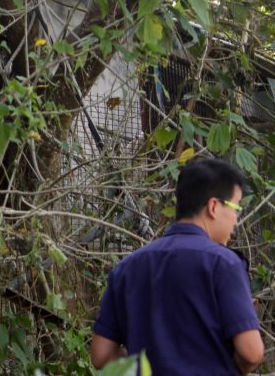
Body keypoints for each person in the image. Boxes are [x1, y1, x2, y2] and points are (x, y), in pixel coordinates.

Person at [90, 157, 264, 375]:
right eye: (235, 208)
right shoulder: (223, 264)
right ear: (213, 206)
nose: (236, 220)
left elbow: (101, 355)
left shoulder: (126, 268)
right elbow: (251, 353)